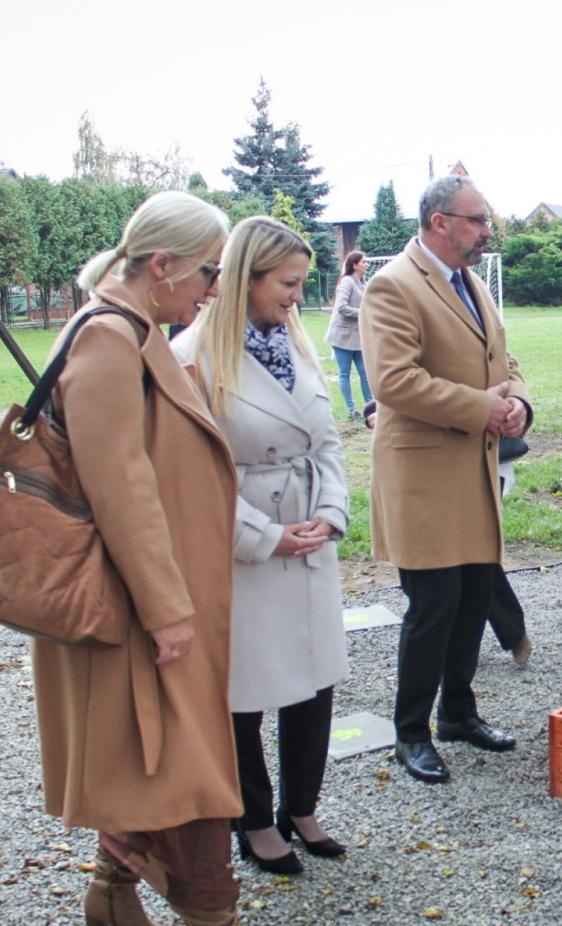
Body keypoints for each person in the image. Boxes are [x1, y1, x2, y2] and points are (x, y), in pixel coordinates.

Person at [33, 191, 301, 926]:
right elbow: (122, 490)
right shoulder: (111, 341)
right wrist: (167, 611)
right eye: (210, 271)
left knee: (158, 767)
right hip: (140, 610)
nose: (214, 289)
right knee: (192, 779)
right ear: (161, 268)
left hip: (158, 600)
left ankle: (114, 893)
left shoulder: (131, 330)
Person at [172, 216, 351, 878]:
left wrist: (331, 512)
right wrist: (264, 537)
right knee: (244, 692)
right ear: (245, 277)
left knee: (314, 680)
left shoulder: (295, 344)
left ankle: (301, 807)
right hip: (247, 549)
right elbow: (191, 476)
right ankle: (251, 817)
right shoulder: (192, 356)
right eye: (287, 283)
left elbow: (327, 441)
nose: (296, 298)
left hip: (309, 538)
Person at [360, 174, 531, 785]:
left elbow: (505, 364)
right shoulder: (393, 286)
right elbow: (394, 383)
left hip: (475, 471)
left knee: (474, 597)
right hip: (425, 477)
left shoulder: (471, 285)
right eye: (478, 219)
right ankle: (411, 733)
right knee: (432, 606)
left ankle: (458, 713)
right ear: (441, 223)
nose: (488, 231)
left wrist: (518, 405)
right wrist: (482, 407)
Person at [365, 397, 531, 668]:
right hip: (421, 452)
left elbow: (489, 367)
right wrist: (378, 407)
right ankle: (460, 644)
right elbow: (405, 373)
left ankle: (493, 637)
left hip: (476, 449)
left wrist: (518, 402)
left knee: (474, 553)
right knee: (439, 563)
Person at [326, 250, 372, 419]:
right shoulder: (347, 281)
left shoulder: (362, 282)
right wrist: (364, 312)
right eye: (363, 262)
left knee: (365, 372)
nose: (366, 264)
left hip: (359, 336)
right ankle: (352, 410)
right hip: (342, 336)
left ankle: (370, 407)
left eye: (366, 262)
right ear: (354, 265)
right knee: (344, 373)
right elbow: (342, 307)